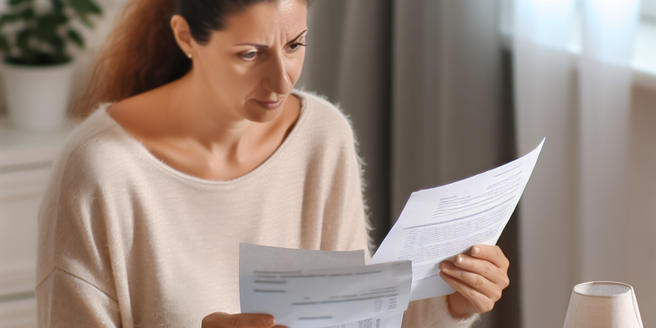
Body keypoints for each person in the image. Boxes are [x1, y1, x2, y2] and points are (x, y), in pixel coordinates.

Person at [36, 0, 510, 327]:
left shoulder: (321, 135)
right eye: (249, 54)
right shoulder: (100, 170)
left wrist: (451, 300)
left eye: (295, 45)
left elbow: (350, 318)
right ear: (186, 37)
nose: (281, 81)